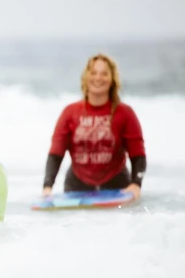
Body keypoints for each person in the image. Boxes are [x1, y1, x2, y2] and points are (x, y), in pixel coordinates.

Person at [42, 53, 146, 199]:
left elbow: (138, 155)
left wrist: (136, 184)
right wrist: (47, 187)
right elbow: (56, 154)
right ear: (86, 77)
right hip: (77, 186)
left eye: (104, 73)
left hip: (117, 186)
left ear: (112, 79)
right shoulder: (70, 112)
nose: (98, 78)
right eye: (93, 73)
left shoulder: (125, 113)